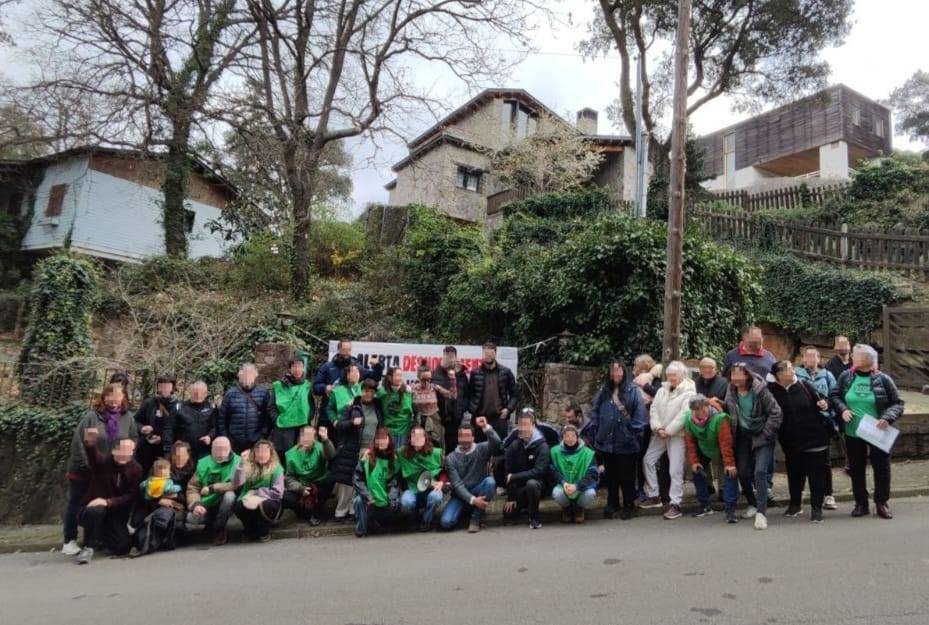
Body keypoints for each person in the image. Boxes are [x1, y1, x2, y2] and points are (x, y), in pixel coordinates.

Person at [62, 383, 138, 557]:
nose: (114, 400)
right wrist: (90, 466)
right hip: (85, 470)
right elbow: (80, 443)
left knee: (102, 503)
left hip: (110, 470)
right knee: (77, 502)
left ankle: (98, 538)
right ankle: (69, 540)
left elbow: (133, 438)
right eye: (110, 396)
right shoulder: (92, 417)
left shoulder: (127, 418)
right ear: (104, 398)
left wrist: (126, 457)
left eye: (118, 396)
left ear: (123, 398)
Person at [830, 344, 904, 520]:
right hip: (853, 432)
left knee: (882, 469)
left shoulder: (884, 379)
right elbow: (834, 396)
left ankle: (881, 503)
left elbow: (898, 403)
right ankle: (861, 503)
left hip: (877, 431)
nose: (853, 358)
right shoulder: (846, 376)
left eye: (857, 356)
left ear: (867, 360)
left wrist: (887, 417)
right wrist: (842, 410)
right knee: (856, 469)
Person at [769, 361, 834, 523]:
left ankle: (816, 508)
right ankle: (795, 504)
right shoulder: (771, 391)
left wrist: (824, 404)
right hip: (790, 442)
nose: (793, 371)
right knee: (795, 474)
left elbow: (824, 401)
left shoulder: (805, 385)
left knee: (816, 474)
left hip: (815, 438)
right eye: (789, 369)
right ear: (779, 375)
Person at [724, 362, 783, 530]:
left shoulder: (760, 389)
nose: (735, 377)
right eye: (732, 374)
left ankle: (761, 513)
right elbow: (730, 409)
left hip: (762, 435)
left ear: (747, 375)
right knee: (742, 472)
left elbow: (776, 412)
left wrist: (766, 434)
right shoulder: (731, 389)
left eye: (738, 374)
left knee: (760, 472)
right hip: (742, 436)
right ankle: (753, 503)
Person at [586, 361, 647, 519]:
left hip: (626, 442)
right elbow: (595, 411)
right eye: (613, 371)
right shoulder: (604, 390)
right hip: (607, 442)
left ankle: (629, 504)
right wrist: (597, 429)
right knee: (611, 475)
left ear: (624, 372)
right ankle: (612, 503)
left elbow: (640, 415)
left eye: (619, 370)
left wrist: (632, 432)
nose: (616, 374)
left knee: (627, 476)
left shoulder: (633, 390)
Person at [75, 430, 143, 564]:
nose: (127, 454)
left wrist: (108, 502)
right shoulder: (102, 463)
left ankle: (101, 535)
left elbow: (131, 496)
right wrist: (90, 440)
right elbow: (92, 454)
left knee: (122, 547)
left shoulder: (136, 469)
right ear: (114, 451)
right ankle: (88, 547)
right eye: (124, 450)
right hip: (89, 509)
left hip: (113, 513)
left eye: (130, 451)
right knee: (97, 510)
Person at [641, 361, 696, 520]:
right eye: (669, 375)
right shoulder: (662, 390)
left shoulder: (689, 393)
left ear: (682, 376)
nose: (671, 378)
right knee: (648, 460)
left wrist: (669, 430)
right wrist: (658, 428)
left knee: (675, 469)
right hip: (660, 432)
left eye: (674, 375)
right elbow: (654, 409)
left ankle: (675, 503)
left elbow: (684, 415)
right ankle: (654, 496)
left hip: (677, 435)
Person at [330, 378, 383, 522]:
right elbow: (340, 425)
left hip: (370, 449)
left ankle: (354, 510)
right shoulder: (352, 406)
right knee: (347, 481)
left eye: (371, 392)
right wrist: (352, 422)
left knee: (362, 481)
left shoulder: (377, 406)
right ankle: (341, 512)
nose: (368, 394)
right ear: (361, 390)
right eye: (366, 391)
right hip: (354, 448)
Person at [796, 346, 840, 510]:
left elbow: (835, 396)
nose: (810, 359)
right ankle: (799, 494)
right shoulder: (796, 375)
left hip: (822, 423)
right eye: (807, 356)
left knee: (824, 461)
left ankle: (828, 494)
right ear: (803, 359)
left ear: (819, 358)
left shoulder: (827, 376)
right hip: (801, 425)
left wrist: (827, 403)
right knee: (800, 462)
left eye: (814, 356)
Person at [683, 395, 739, 523]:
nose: (699, 413)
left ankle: (730, 510)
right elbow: (690, 443)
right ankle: (704, 505)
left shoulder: (720, 418)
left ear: (707, 406)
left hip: (721, 447)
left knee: (730, 473)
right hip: (704, 448)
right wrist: (694, 461)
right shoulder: (688, 419)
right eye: (696, 410)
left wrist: (729, 463)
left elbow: (726, 443)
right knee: (697, 470)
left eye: (702, 409)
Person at [440, 417, 500, 533]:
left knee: (490, 482)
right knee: (446, 523)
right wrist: (473, 500)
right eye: (461, 436)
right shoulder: (450, 458)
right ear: (458, 438)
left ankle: (475, 518)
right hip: (459, 495)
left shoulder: (481, 449)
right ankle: (469, 508)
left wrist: (485, 428)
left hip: (478, 489)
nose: (464, 439)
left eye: (468, 436)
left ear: (473, 437)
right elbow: (457, 485)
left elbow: (497, 444)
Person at [185, 436, 241, 546]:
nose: (221, 451)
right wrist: (195, 504)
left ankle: (219, 529)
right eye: (217, 448)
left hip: (224, 502)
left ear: (230, 449)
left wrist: (213, 487)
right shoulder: (203, 463)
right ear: (211, 450)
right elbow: (192, 488)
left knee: (230, 496)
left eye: (224, 448)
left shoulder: (238, 461)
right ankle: (209, 524)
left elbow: (236, 484)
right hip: (206, 503)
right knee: (191, 519)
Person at [502, 408, 551, 530]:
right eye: (520, 425)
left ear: (533, 425)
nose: (523, 428)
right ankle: (523, 506)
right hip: (520, 487)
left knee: (532, 484)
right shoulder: (514, 445)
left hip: (538, 485)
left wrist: (515, 477)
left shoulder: (542, 446)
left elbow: (539, 472)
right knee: (508, 513)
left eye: (526, 425)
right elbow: (508, 472)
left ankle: (534, 518)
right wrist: (511, 497)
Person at [313, 339, 383, 421]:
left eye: (349, 350)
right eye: (344, 350)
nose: (347, 352)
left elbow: (375, 378)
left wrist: (377, 366)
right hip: (327, 415)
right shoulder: (327, 367)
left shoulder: (357, 367)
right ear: (338, 350)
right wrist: (325, 388)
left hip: (349, 417)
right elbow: (315, 387)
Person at [282, 425, 336, 526]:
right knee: (286, 497)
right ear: (299, 438)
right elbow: (288, 478)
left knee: (330, 480)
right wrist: (300, 488)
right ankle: (303, 512)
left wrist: (325, 439)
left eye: (309, 436)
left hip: (319, 483)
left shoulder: (320, 447)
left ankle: (316, 511)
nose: (306, 438)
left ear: (314, 438)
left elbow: (331, 455)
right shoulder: (290, 454)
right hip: (302, 485)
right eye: (304, 436)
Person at [352, 428, 402, 537]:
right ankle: (362, 529)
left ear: (389, 440)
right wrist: (368, 496)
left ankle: (375, 523)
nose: (381, 442)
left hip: (384, 497)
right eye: (379, 439)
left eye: (384, 439)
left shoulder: (394, 459)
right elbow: (357, 479)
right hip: (369, 498)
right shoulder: (367, 456)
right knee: (359, 500)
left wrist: (391, 499)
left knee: (397, 504)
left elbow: (394, 482)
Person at [232, 439, 284, 542]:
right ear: (254, 453)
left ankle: (263, 532)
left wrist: (257, 493)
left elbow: (278, 493)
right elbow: (237, 483)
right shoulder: (248, 466)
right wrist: (241, 464)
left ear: (271, 454)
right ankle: (249, 530)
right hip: (248, 496)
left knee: (265, 506)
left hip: (269, 498)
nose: (262, 455)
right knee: (238, 507)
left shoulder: (277, 468)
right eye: (259, 452)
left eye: (265, 452)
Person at [397, 424, 446, 531]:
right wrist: (369, 451)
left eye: (420, 437)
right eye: (415, 437)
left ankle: (426, 520)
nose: (417, 440)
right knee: (406, 501)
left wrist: (441, 482)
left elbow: (445, 471)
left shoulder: (436, 453)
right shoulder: (402, 453)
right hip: (413, 489)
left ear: (425, 438)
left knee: (435, 497)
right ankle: (414, 516)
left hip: (431, 488)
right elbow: (388, 453)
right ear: (410, 439)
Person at [467, 340, 518, 441]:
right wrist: (473, 411)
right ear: (483, 354)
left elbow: (515, 394)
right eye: (486, 353)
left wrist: (508, 409)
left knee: (499, 450)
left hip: (499, 418)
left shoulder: (506, 372)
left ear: (495, 353)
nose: (488, 356)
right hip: (480, 418)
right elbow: (469, 395)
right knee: (480, 450)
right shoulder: (475, 373)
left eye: (491, 353)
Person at [131, 457, 182, 557]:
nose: (164, 472)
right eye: (161, 470)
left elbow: (142, 486)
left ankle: (163, 538)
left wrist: (176, 495)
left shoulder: (156, 481)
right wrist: (159, 500)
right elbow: (142, 498)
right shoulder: (159, 483)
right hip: (152, 509)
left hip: (167, 508)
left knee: (168, 514)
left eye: (166, 469)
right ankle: (153, 540)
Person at [217, 363, 272, 454]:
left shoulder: (264, 393)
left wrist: (262, 435)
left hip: (256, 441)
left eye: (250, 374)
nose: (247, 377)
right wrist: (226, 438)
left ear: (255, 376)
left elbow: (268, 417)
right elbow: (221, 418)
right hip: (234, 442)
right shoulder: (230, 394)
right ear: (239, 376)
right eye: (244, 374)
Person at [550, 423, 599, 524]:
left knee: (591, 493)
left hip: (581, 487)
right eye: (566, 436)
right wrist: (564, 483)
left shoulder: (588, 453)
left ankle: (579, 508)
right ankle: (567, 509)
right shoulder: (554, 451)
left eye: (573, 436)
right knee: (556, 493)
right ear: (562, 438)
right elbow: (552, 471)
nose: (570, 439)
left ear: (577, 437)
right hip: (564, 486)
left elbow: (593, 474)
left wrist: (577, 486)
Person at [269, 357, 314, 461]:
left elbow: (311, 405)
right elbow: (271, 406)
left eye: (300, 366)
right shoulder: (278, 385)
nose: (297, 369)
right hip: (284, 428)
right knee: (284, 456)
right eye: (294, 366)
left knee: (301, 455)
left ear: (303, 368)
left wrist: (308, 419)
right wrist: (276, 419)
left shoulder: (307, 386)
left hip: (302, 426)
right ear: (289, 369)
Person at [135, 374, 180, 473]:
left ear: (173, 387)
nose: (164, 388)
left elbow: (180, 429)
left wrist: (163, 438)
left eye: (167, 386)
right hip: (146, 448)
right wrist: (142, 428)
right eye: (161, 385)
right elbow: (135, 421)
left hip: (165, 450)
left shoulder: (178, 406)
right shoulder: (149, 403)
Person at [163, 380, 216, 461]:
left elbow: (216, 427)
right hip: (183, 451)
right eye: (195, 392)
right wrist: (168, 449)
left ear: (206, 394)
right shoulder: (179, 408)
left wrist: (210, 436)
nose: (198, 395)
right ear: (190, 392)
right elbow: (168, 428)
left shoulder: (212, 408)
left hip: (204, 451)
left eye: (201, 392)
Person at [432, 346, 470, 453]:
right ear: (443, 357)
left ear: (456, 357)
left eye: (451, 356)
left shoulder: (462, 376)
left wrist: (462, 409)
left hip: (456, 418)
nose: (449, 359)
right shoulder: (435, 373)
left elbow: (466, 395)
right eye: (447, 356)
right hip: (439, 417)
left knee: (453, 446)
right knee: (438, 445)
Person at [379, 366, 414, 448]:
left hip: (404, 432)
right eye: (397, 375)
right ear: (389, 377)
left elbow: (410, 411)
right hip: (388, 432)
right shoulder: (382, 392)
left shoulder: (408, 391)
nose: (400, 378)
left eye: (401, 375)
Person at [412, 361, 444, 450]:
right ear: (418, 377)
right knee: (418, 447)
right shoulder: (412, 389)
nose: (426, 382)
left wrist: (453, 379)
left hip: (434, 422)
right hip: (419, 422)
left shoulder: (434, 388)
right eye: (423, 379)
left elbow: (452, 395)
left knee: (435, 446)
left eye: (429, 379)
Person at [325, 363, 363, 430]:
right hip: (343, 426)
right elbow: (330, 408)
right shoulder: (337, 391)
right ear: (347, 375)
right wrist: (334, 421)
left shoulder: (364, 388)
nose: (355, 373)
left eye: (357, 371)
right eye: (352, 371)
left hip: (361, 428)